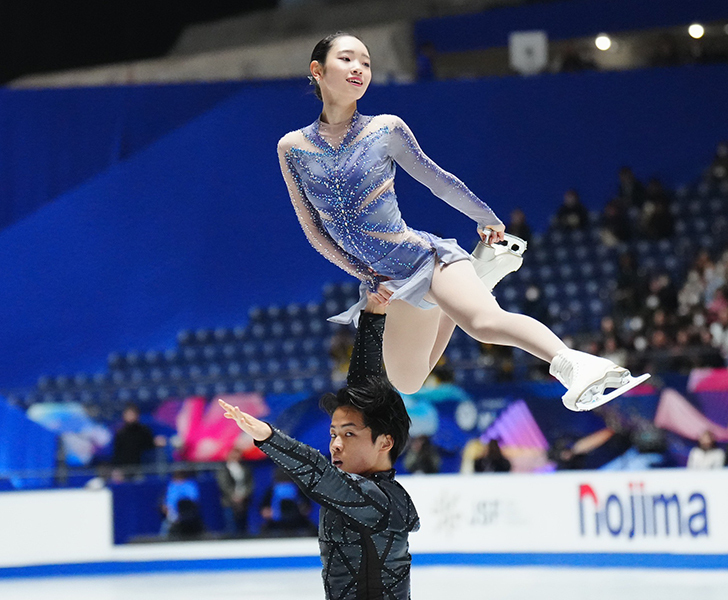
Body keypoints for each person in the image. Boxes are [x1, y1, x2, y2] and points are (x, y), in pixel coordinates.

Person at [277, 32, 648, 412]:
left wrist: (485, 216)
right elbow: (313, 230)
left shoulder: (385, 129)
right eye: (347, 59)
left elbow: (438, 179)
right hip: (389, 281)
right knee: (407, 381)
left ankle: (575, 364)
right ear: (317, 70)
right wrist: (367, 276)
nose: (359, 68)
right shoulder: (292, 148)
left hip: (424, 258)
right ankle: (476, 279)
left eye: (367, 62)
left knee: (483, 323)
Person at [219, 297, 419, 600]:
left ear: (385, 442)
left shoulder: (376, 497)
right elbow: (363, 390)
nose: (336, 445)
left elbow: (318, 473)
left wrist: (268, 437)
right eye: (333, 434)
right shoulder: (371, 491)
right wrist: (372, 317)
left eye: (349, 435)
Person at [111, 404, 166, 479]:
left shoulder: (143, 431)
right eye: (128, 414)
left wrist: (155, 442)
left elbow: (149, 444)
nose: (130, 417)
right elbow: (117, 452)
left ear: (137, 415)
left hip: (140, 468)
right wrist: (117, 469)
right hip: (123, 468)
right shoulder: (120, 433)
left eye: (132, 414)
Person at [216, 447, 253, 536]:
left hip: (244, 500)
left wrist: (243, 495)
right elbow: (224, 484)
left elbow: (250, 483)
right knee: (231, 524)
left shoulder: (245, 468)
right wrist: (234, 496)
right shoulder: (223, 470)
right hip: (229, 501)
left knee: (243, 524)